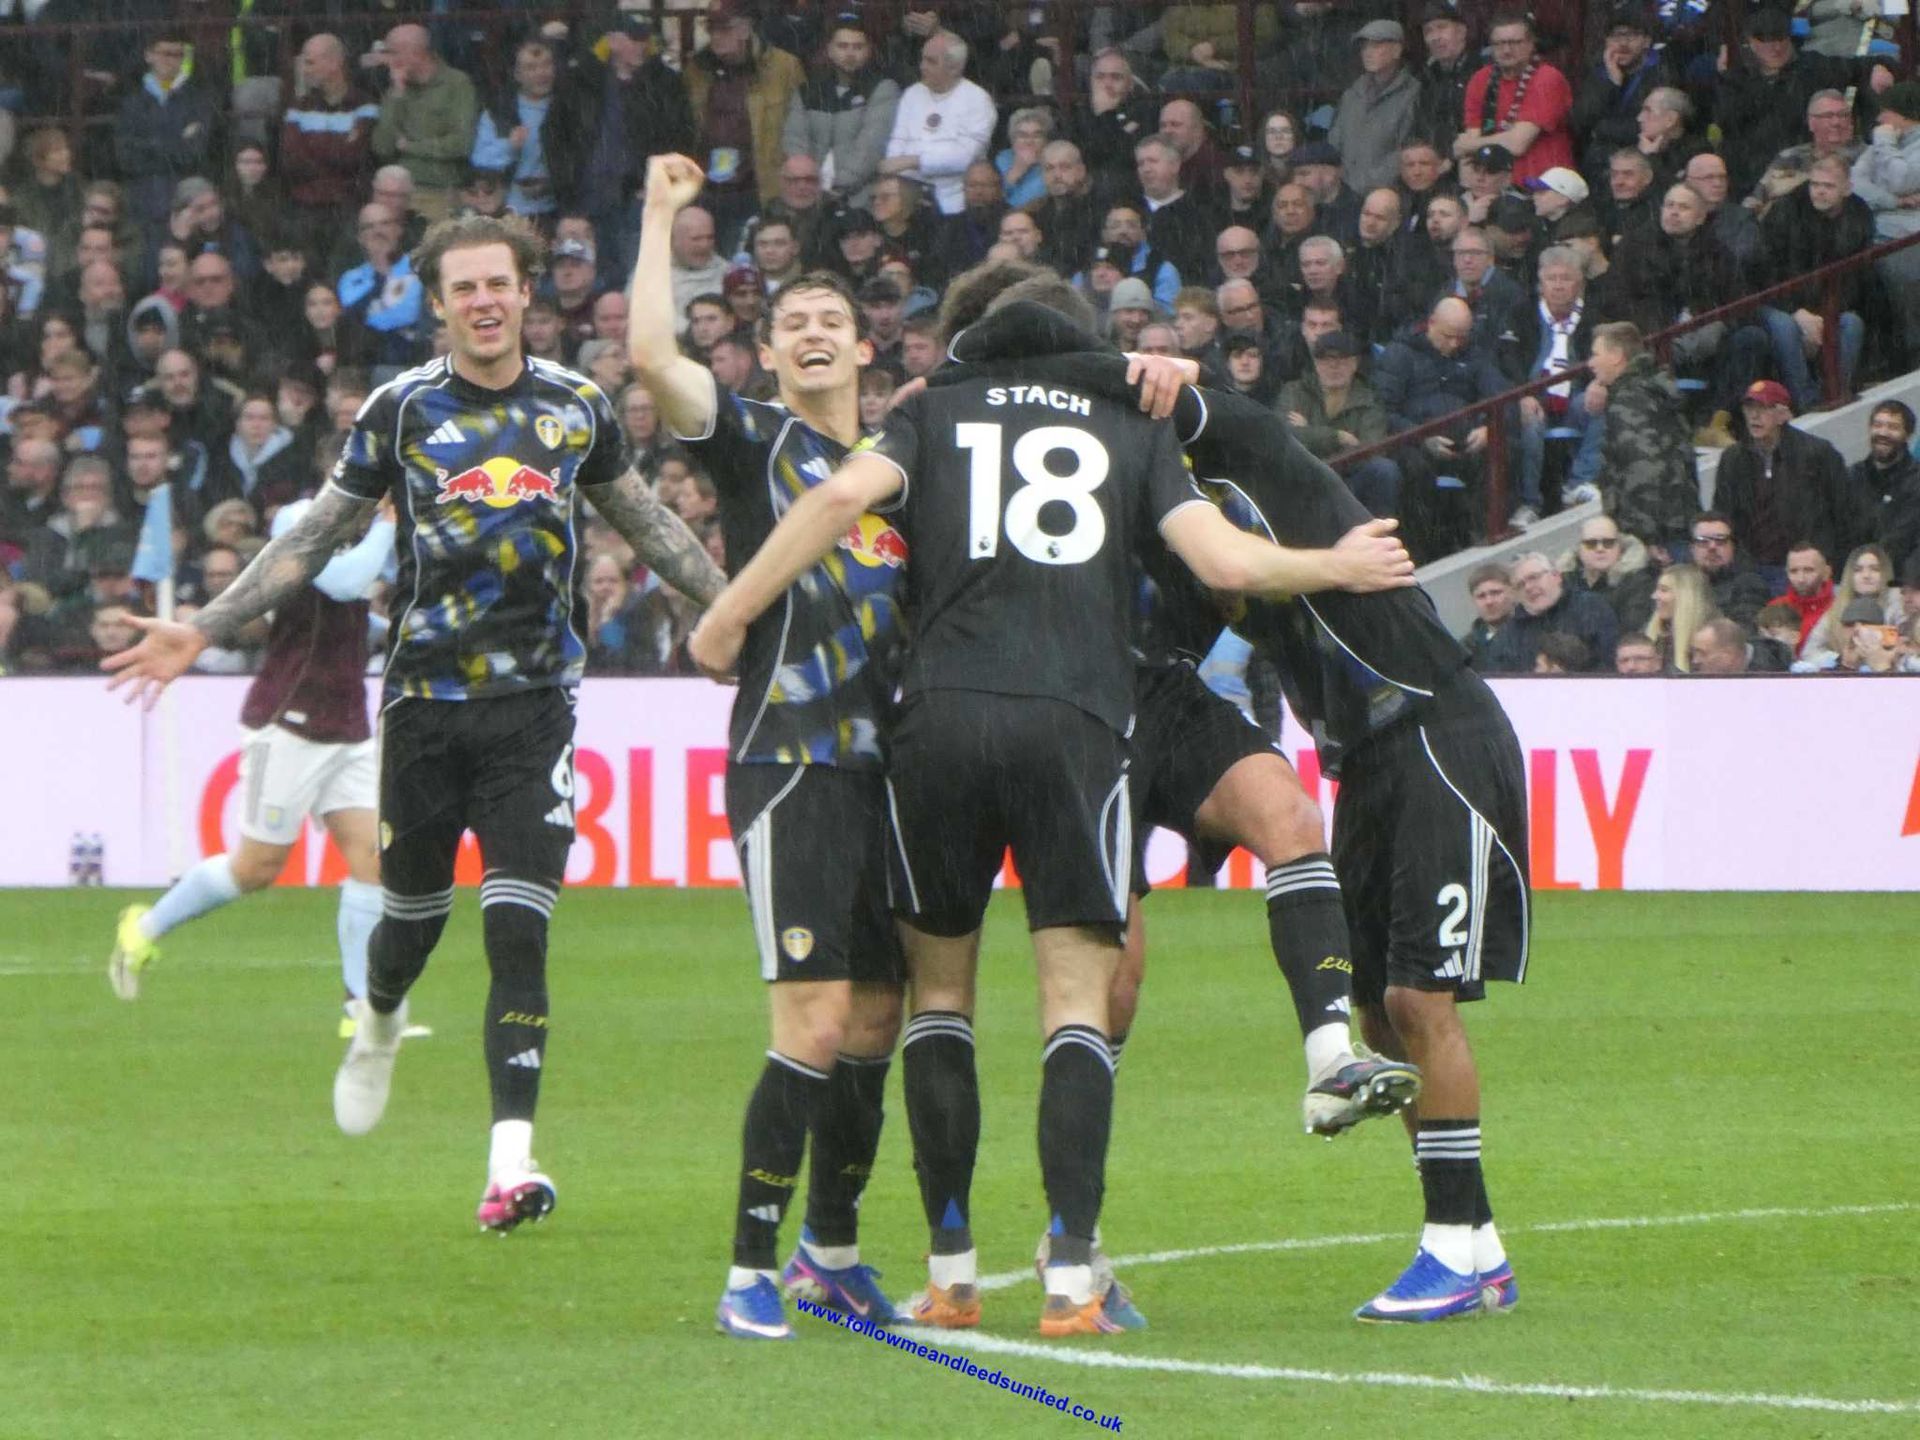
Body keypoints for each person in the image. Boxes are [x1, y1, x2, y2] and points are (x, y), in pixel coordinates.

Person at [685, 261, 1416, 1337]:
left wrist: (728, 617)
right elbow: (1220, 560)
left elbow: (837, 499)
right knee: (1075, 1004)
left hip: (939, 723)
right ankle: (1072, 1277)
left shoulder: (931, 409)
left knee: (940, 1001)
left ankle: (951, 1273)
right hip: (1076, 719)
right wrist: (1336, 564)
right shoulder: (1127, 422)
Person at [105, 214, 726, 1233]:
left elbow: (648, 523)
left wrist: (736, 605)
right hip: (424, 712)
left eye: (499, 283)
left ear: (527, 293)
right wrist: (205, 626)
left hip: (535, 708)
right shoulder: (401, 410)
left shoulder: (575, 406)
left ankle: (510, 1163)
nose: (484, 301)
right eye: (464, 288)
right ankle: (380, 1020)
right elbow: (316, 536)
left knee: (519, 927)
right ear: (438, 304)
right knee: (411, 927)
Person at [627, 154, 909, 1341]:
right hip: (790, 760)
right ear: (770, 352)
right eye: (792, 323)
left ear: (864, 348)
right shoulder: (752, 440)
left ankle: (830, 1254)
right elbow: (651, 355)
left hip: (891, 775)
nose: (811, 334)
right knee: (813, 1022)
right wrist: (660, 216)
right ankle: (748, 1269)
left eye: (830, 321)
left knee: (879, 1020)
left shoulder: (903, 470)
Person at [107, 496, 415, 1035]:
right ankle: (144, 926)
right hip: (288, 721)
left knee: (373, 860)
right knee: (256, 868)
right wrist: (388, 525)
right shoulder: (300, 517)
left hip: (346, 726)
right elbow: (344, 583)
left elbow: (355, 603)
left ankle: (361, 1009)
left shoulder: (364, 534)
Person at [1716, 380, 1865, 578]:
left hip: (1807, 568)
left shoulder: (1818, 454)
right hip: (1751, 570)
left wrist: (1833, 563)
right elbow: (1723, 515)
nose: (1754, 416)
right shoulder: (1732, 459)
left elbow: (1845, 513)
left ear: (1783, 414)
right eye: (1749, 408)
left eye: (1763, 408)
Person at [1586, 321, 1697, 556]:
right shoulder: (1652, 388)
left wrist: (1647, 538)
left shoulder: (1629, 400)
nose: (1590, 363)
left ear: (1616, 356)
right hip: (1679, 519)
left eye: (1596, 354)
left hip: (1657, 535)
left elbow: (1644, 468)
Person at [782, 13, 900, 209]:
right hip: (809, 196)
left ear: (869, 51)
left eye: (858, 47)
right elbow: (795, 140)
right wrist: (808, 182)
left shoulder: (883, 89)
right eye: (843, 46)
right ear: (829, 49)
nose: (850, 54)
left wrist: (837, 187)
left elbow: (870, 148)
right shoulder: (808, 90)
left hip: (860, 199)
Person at [369, 24, 478, 222]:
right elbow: (382, 147)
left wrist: (410, 146)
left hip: (440, 191)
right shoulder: (394, 90)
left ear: (414, 52)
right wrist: (397, 94)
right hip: (397, 192)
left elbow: (462, 143)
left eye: (392, 52)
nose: (387, 60)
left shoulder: (457, 84)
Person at [1454, 11, 1575, 187]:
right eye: (1499, 44)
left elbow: (1517, 143)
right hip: (1493, 186)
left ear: (1531, 44)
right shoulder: (1480, 79)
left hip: (1544, 187)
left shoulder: (1547, 78)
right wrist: (1472, 191)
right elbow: (1471, 145)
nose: (1506, 50)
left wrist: (1470, 144)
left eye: (1515, 43)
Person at [881, 31, 994, 216]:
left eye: (931, 61)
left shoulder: (978, 99)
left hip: (953, 201)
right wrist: (897, 167)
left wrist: (913, 161)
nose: (922, 66)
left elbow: (965, 156)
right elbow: (897, 141)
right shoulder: (912, 93)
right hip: (907, 195)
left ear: (955, 67)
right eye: (922, 59)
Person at [1484, 551, 1620, 673]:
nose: (1528, 587)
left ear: (1556, 576)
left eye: (1534, 577)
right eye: (1520, 585)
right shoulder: (1507, 637)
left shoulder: (1591, 607)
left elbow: (1611, 660)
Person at [1330, 21, 1420, 196]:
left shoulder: (1413, 94)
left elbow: (1406, 150)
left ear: (1397, 50)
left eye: (1376, 46)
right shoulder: (1351, 94)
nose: (1368, 53)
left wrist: (1368, 184)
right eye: (1364, 47)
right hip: (1344, 194)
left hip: (1388, 194)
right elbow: (1335, 141)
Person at [1562, 513, 1656, 632]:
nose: (1600, 549)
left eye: (1608, 543)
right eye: (1591, 543)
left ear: (1620, 548)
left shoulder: (1638, 582)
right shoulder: (1566, 582)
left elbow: (1631, 630)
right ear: (1579, 549)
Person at [1855, 402, 1920, 573]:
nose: (1883, 433)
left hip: (1903, 578)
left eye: (1893, 427)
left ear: (1907, 434)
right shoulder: (1852, 476)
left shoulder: (1915, 480)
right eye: (1878, 425)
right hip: (1856, 574)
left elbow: (1902, 538)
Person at [1687, 510, 1775, 625]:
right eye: (1703, 541)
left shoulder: (1750, 584)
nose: (1712, 547)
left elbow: (1744, 630)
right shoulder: (1680, 584)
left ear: (1733, 547)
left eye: (1720, 540)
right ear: (1692, 549)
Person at [1645, 563, 1719, 671]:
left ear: (1686, 596)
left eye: (1664, 590)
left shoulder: (1714, 638)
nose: (1655, 596)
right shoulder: (1653, 636)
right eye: (1657, 590)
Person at [1461, 561, 1515, 670]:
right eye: (1481, 596)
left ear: (1513, 592)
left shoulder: (1536, 629)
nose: (1489, 601)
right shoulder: (1466, 651)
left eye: (1495, 593)